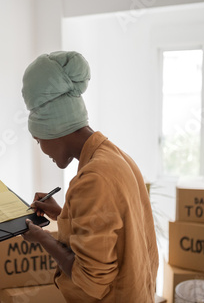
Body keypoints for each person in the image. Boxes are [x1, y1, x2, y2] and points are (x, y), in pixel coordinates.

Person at [21, 51, 159, 302]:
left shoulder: (93, 178)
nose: (42, 150)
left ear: (53, 128)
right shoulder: (115, 156)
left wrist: (41, 237)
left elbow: (91, 280)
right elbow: (107, 228)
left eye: (38, 140)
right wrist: (63, 214)